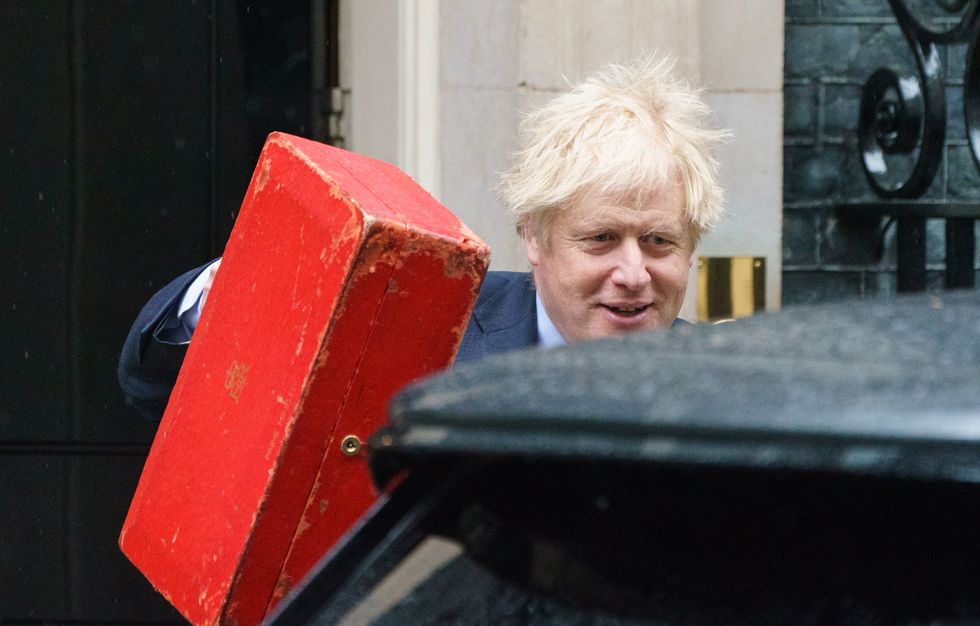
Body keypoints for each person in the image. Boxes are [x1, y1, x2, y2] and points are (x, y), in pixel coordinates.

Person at [118, 55, 726, 420]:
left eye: (659, 242)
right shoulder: (418, 323)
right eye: (601, 238)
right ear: (534, 238)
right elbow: (158, 391)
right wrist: (268, 271)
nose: (634, 273)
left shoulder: (734, 385)